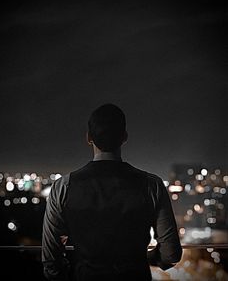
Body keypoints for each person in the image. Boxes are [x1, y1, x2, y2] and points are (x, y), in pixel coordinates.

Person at [42, 103, 182, 281]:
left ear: (88, 138)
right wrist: (144, 258)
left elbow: (51, 259)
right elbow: (171, 254)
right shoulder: (152, 185)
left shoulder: (63, 187)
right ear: (124, 137)